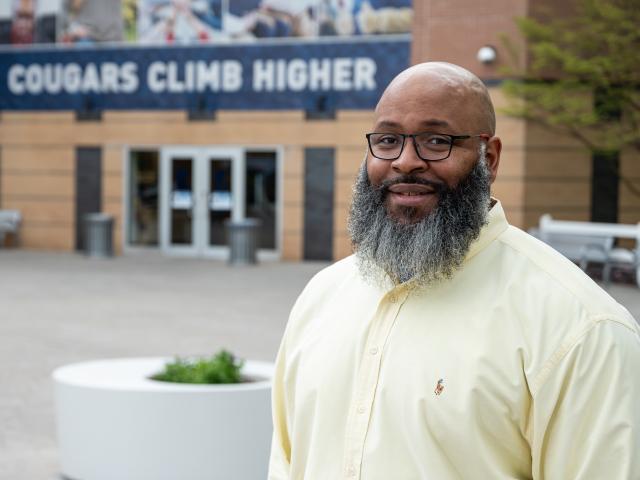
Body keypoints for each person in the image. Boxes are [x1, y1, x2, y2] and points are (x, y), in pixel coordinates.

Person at [268, 62, 640, 479]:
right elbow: (286, 462)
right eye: (388, 140)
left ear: (490, 158)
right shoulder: (323, 296)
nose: (406, 162)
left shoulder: (580, 328)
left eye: (436, 141)